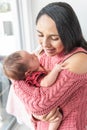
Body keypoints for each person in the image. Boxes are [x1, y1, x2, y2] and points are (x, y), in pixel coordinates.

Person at [6, 2, 87, 130]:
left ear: (69, 34)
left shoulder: (78, 59)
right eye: (40, 35)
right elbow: (20, 76)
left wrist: (16, 81)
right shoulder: (44, 51)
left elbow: (40, 104)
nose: (45, 44)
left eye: (54, 38)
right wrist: (36, 115)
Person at [3, 50, 64, 130]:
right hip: (44, 106)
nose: (34, 54)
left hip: (44, 105)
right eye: (32, 58)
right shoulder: (35, 76)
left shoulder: (34, 69)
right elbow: (46, 83)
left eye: (30, 54)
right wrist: (56, 70)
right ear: (28, 72)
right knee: (57, 118)